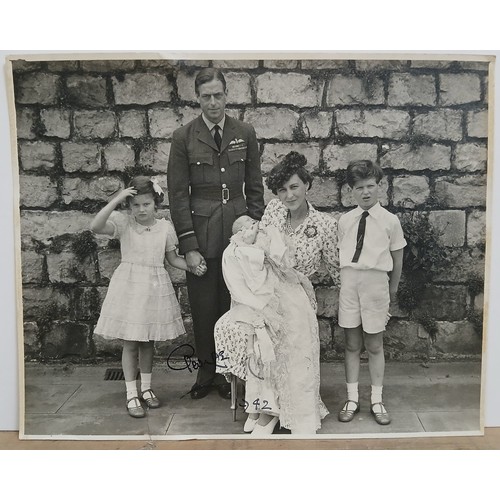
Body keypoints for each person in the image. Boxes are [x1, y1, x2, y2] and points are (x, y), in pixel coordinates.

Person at [215, 151, 340, 435]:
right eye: (282, 189)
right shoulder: (272, 211)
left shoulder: (325, 225)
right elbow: (254, 246)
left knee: (284, 336)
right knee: (258, 335)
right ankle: (261, 406)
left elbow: (336, 268)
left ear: (306, 185)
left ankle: (282, 412)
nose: (288, 195)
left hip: (296, 293)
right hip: (267, 289)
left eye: (294, 186)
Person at [167, 67, 265, 400]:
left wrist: (254, 229)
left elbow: (254, 186)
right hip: (203, 232)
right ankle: (206, 374)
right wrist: (188, 246)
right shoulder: (184, 137)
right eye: (206, 96)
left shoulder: (245, 132)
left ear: (227, 94)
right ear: (197, 98)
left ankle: (231, 374)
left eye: (218, 95)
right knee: (205, 305)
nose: (213, 103)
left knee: (235, 303)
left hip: (237, 232)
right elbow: (178, 195)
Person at [91, 176, 202, 418]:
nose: (141, 210)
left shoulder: (165, 228)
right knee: (130, 342)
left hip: (153, 287)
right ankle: (132, 393)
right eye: (135, 205)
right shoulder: (124, 224)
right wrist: (117, 199)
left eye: (146, 204)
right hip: (130, 287)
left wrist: (193, 267)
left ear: (155, 204)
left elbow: (173, 259)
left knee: (148, 341)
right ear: (129, 207)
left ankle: (147, 388)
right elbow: (96, 226)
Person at [337, 160, 406, 426]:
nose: (365, 192)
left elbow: (397, 260)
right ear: (351, 191)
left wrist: (392, 290)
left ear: (380, 186)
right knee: (352, 344)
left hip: (376, 285)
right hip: (350, 284)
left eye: (370, 186)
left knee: (374, 345)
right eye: (359, 188)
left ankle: (377, 400)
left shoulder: (390, 221)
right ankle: (352, 398)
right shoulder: (345, 220)